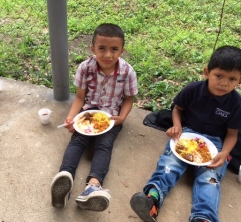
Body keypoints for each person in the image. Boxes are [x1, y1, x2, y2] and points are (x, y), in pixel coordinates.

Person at [130, 45, 241, 222]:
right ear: (207, 72)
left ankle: (204, 217)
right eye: (219, 76)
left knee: (209, 179)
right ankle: (152, 200)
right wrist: (177, 126)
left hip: (215, 144)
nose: (224, 83)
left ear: (239, 81)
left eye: (232, 79)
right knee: (169, 164)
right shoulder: (193, 90)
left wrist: (225, 153)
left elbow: (233, 134)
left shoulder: (235, 103)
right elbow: (177, 109)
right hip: (186, 135)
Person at [51, 23, 138, 211]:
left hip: (112, 117)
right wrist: (72, 118)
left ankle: (93, 186)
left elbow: (129, 99)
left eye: (114, 49)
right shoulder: (85, 68)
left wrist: (122, 117)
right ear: (93, 49)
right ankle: (64, 177)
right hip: (88, 114)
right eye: (102, 49)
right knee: (77, 141)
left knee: (104, 145)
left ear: (122, 50)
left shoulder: (127, 72)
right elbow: (80, 97)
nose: (108, 55)